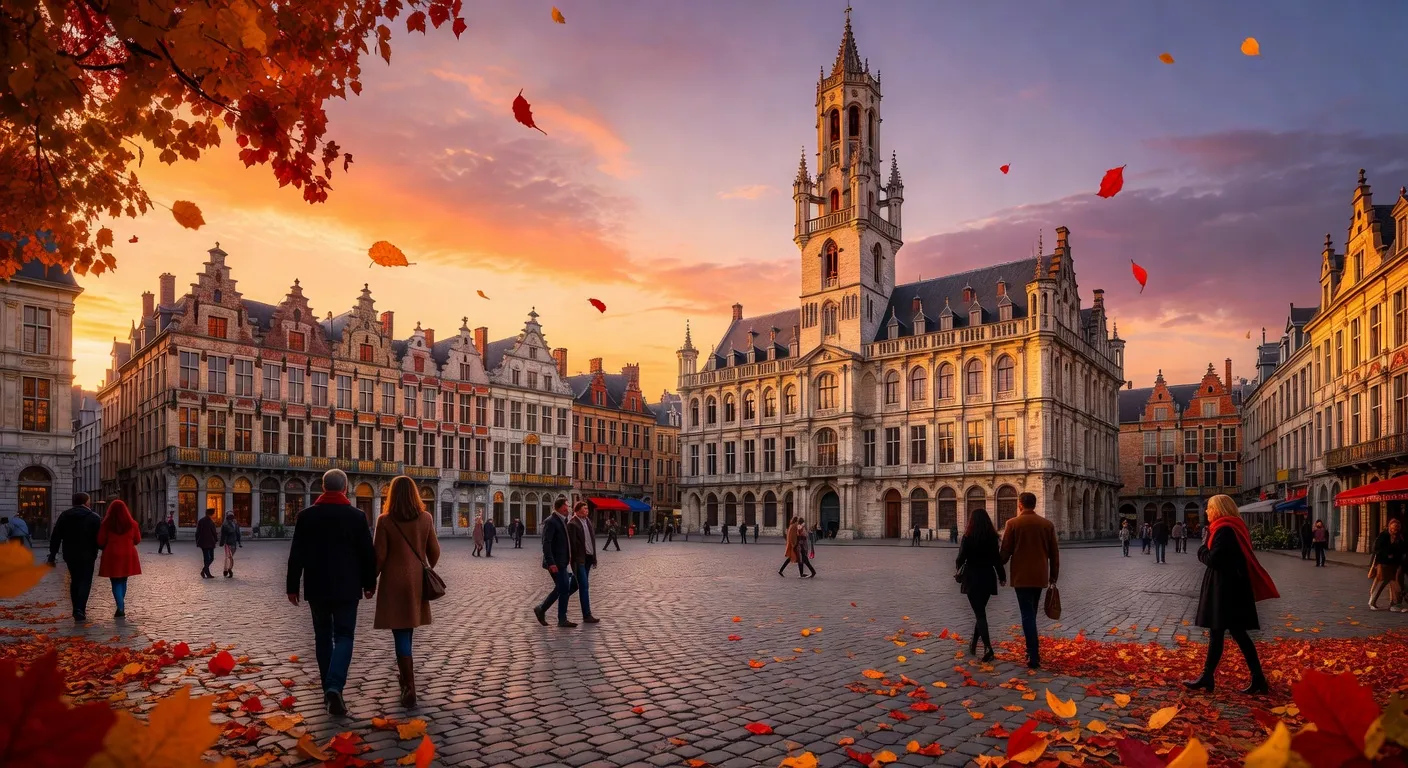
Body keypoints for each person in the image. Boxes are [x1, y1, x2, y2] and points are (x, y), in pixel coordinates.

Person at [286, 469, 377, 716]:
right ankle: (335, 686)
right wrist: (370, 583)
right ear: (345, 488)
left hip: (317, 586)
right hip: (348, 587)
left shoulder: (306, 516)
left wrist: (292, 587)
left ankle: (329, 688)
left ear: (323, 488)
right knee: (345, 635)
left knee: (323, 636)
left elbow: (297, 555)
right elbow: (367, 554)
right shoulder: (357, 516)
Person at [1184, 495, 1275, 695]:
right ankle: (1209, 676)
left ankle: (1257, 678)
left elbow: (1214, 559)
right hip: (1230, 588)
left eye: (1209, 508)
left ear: (1218, 510)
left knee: (1236, 634)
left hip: (1226, 590)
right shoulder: (1232, 526)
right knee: (1220, 633)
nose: (1206, 511)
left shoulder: (1223, 530)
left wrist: (1202, 547)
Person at [373, 475, 442, 708]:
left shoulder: (384, 520)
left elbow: (379, 557)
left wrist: (370, 581)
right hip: (415, 582)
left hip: (393, 581)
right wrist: (424, 565)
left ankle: (408, 686)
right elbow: (434, 552)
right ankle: (406, 680)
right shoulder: (425, 518)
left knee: (401, 632)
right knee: (408, 626)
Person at [999, 492, 1059, 670]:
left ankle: (1033, 653)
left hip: (1021, 577)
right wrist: (1053, 577)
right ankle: (1030, 650)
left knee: (1027, 615)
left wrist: (995, 564)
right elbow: (1054, 555)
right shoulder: (1046, 525)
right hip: (1039, 577)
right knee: (1031, 611)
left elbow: (1005, 553)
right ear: (1034, 504)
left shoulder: (1013, 524)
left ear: (1020, 505)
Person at [956, 508, 1005, 663]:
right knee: (980, 611)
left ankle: (988, 647)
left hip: (972, 577)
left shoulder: (968, 536)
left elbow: (960, 558)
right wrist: (1002, 576)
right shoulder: (992, 537)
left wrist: (958, 570)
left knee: (980, 614)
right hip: (987, 577)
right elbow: (997, 560)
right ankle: (973, 643)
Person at [48, 493, 102, 622]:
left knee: (75, 580)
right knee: (85, 581)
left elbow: (56, 536)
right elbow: (99, 538)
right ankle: (80, 609)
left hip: (70, 554)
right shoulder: (94, 517)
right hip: (88, 554)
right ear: (86, 502)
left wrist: (52, 554)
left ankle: (75, 608)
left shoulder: (65, 516)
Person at [534, 498, 577, 628]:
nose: (568, 509)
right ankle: (561, 618)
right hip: (555, 562)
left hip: (563, 561)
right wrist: (551, 562)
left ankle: (541, 609)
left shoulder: (562, 520)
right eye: (566, 506)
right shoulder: (551, 521)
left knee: (563, 587)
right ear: (559, 507)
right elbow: (546, 544)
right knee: (564, 588)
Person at [96, 500, 141, 618]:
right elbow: (137, 540)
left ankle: (120, 607)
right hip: (128, 554)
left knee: (115, 581)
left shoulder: (106, 524)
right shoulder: (133, 524)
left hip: (112, 554)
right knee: (123, 580)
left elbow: (100, 541)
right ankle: (120, 606)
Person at [566, 502, 600, 624]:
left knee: (574, 586)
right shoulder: (572, 524)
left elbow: (592, 541)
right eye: (584, 508)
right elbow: (572, 545)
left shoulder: (588, 522)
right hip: (580, 560)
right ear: (578, 510)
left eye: (587, 508)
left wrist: (594, 558)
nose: (587, 510)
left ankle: (559, 598)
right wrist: (574, 561)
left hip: (588, 559)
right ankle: (587, 615)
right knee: (584, 587)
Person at [1368, 519, 1404, 611]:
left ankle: (1394, 604)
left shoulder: (1399, 537)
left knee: (1393, 583)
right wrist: (1387, 554)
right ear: (1390, 527)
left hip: (1394, 563)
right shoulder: (1384, 535)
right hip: (1383, 562)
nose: (1395, 530)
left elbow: (1401, 549)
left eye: (1397, 528)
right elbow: (1377, 548)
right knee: (1382, 581)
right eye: (1393, 528)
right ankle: (1373, 601)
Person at [195, 508, 219, 579]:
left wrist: (197, 541)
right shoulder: (210, 522)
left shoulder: (201, 521)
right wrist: (216, 539)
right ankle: (205, 571)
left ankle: (205, 571)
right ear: (211, 513)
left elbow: (197, 532)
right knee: (211, 558)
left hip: (203, 542)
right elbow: (213, 532)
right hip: (210, 542)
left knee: (206, 558)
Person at [219, 512, 242, 578]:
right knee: (229, 557)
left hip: (234, 543)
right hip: (228, 543)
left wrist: (239, 542)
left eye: (232, 516)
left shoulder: (235, 524)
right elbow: (223, 535)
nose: (231, 518)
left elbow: (238, 533)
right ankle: (228, 570)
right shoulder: (225, 525)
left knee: (230, 557)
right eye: (230, 516)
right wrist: (222, 542)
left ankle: (227, 569)